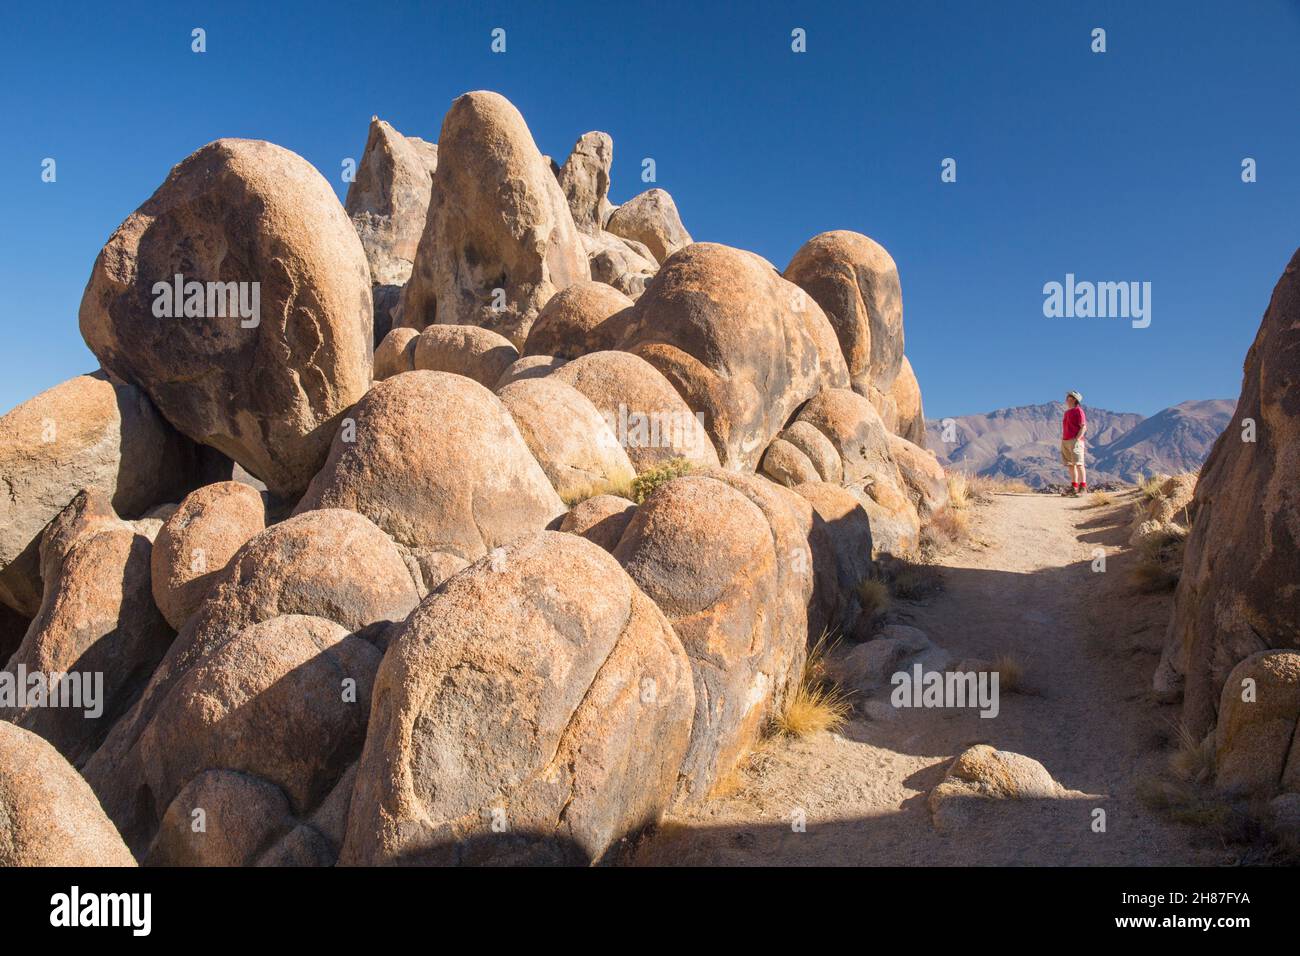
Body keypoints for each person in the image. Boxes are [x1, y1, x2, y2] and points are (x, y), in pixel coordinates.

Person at [1061, 390, 1087, 496]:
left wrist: (1077, 438)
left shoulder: (1078, 411)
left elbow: (1083, 427)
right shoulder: (1067, 412)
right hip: (1066, 440)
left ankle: (1083, 487)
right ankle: (1074, 487)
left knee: (1079, 464)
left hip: (1075, 441)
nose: (1066, 399)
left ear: (1074, 399)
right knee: (1070, 465)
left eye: (1068, 397)